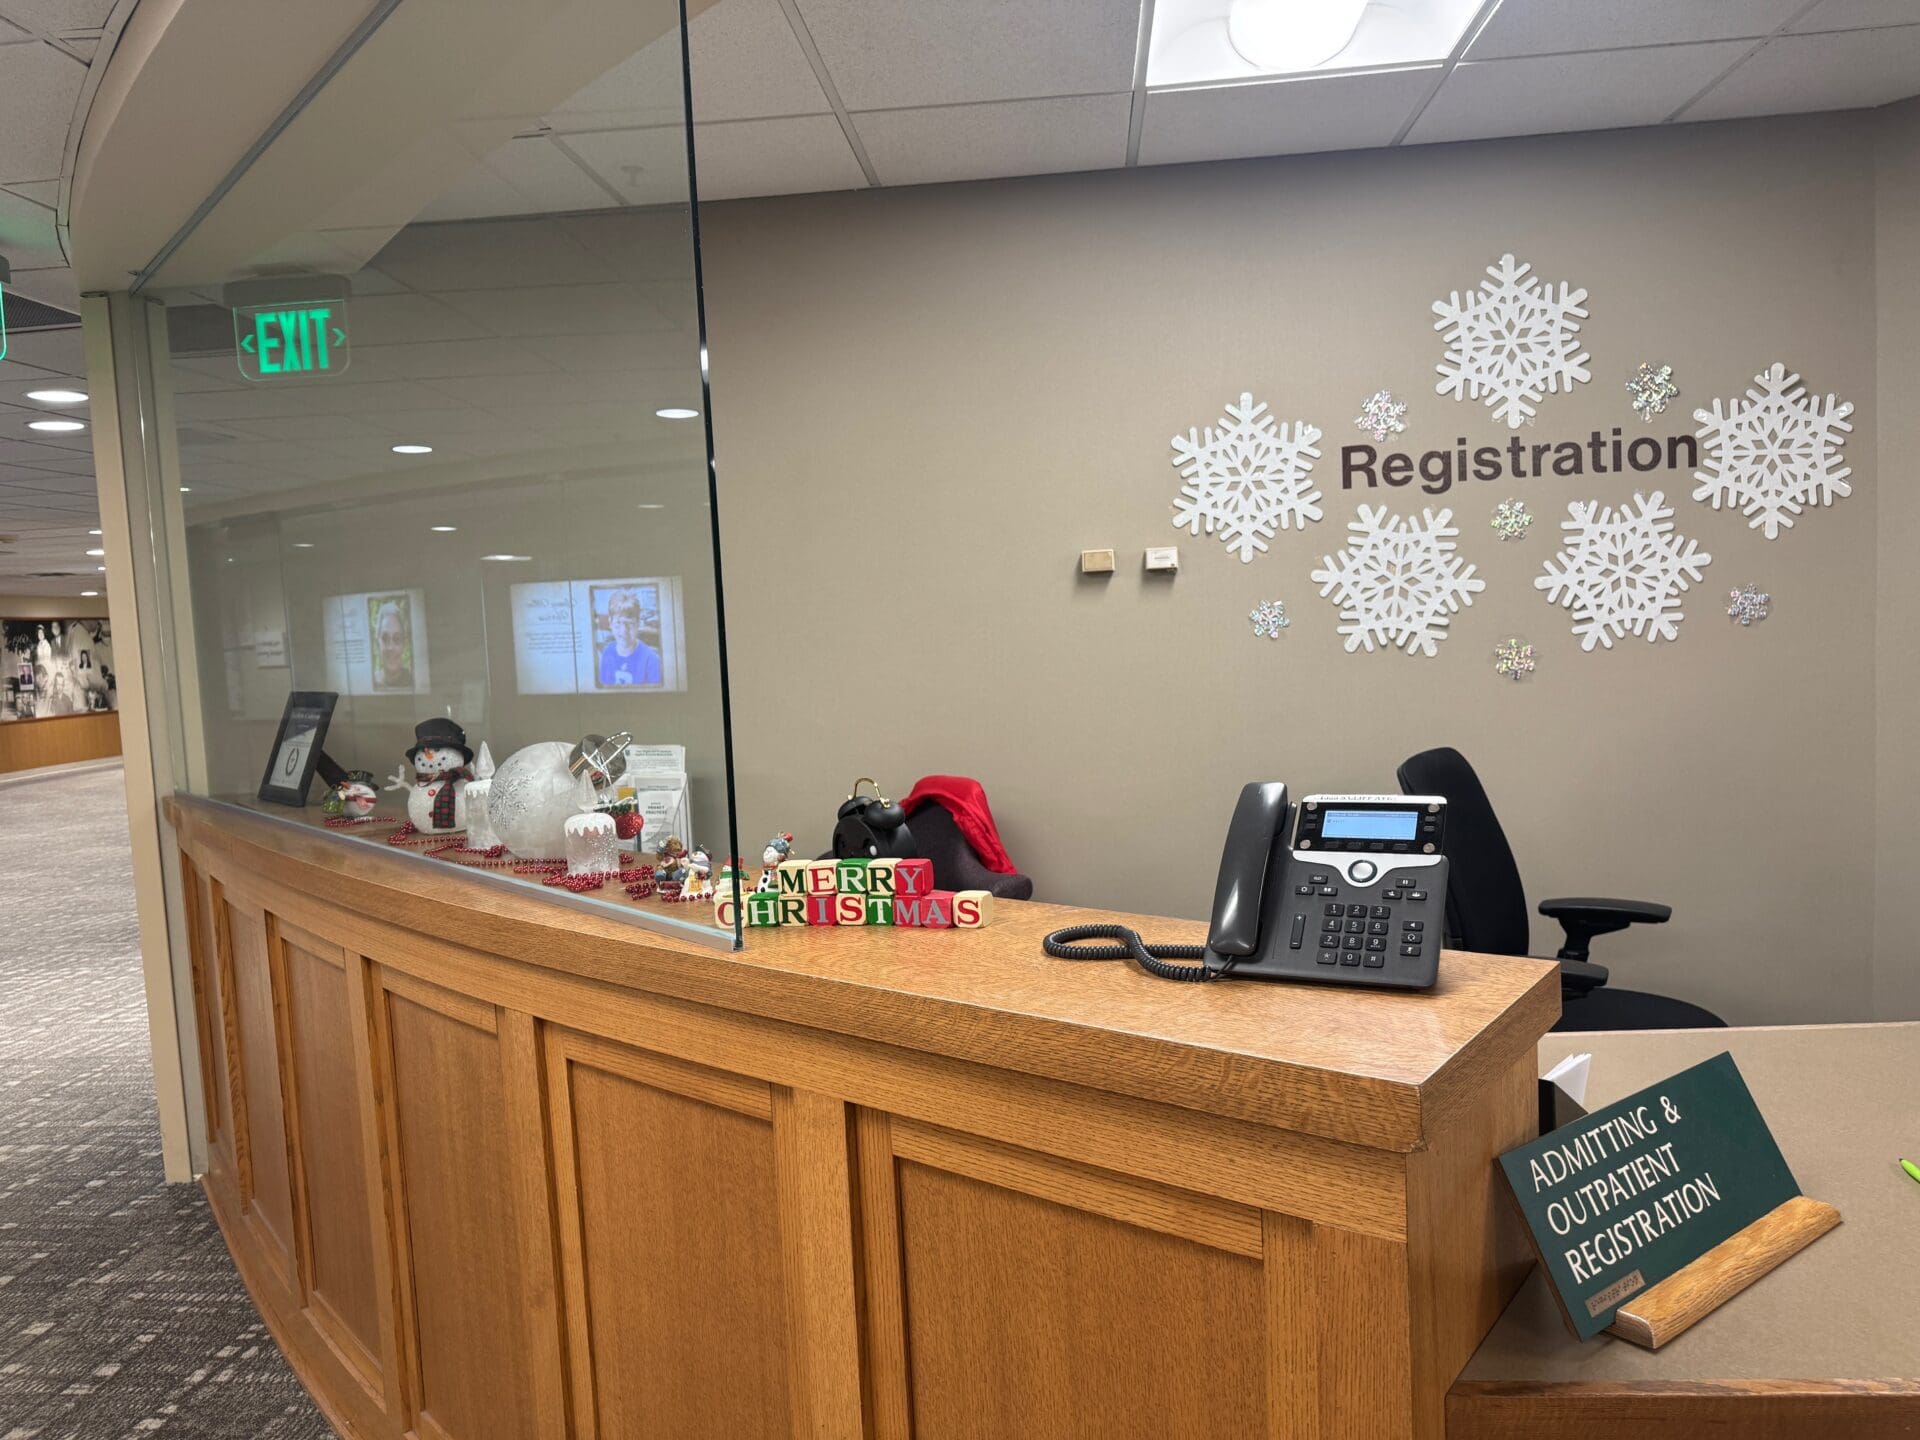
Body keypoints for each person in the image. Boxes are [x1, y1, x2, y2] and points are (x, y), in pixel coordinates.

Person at [597, 590, 662, 688]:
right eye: (618, 623)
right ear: (610, 623)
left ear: (638, 624)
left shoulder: (651, 660)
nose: (624, 631)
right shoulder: (607, 652)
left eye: (630, 623)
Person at [371, 598, 414, 691]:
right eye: (385, 639)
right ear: (377, 645)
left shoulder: (413, 680)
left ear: (404, 644)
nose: (391, 647)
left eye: (397, 639)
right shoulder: (371, 682)